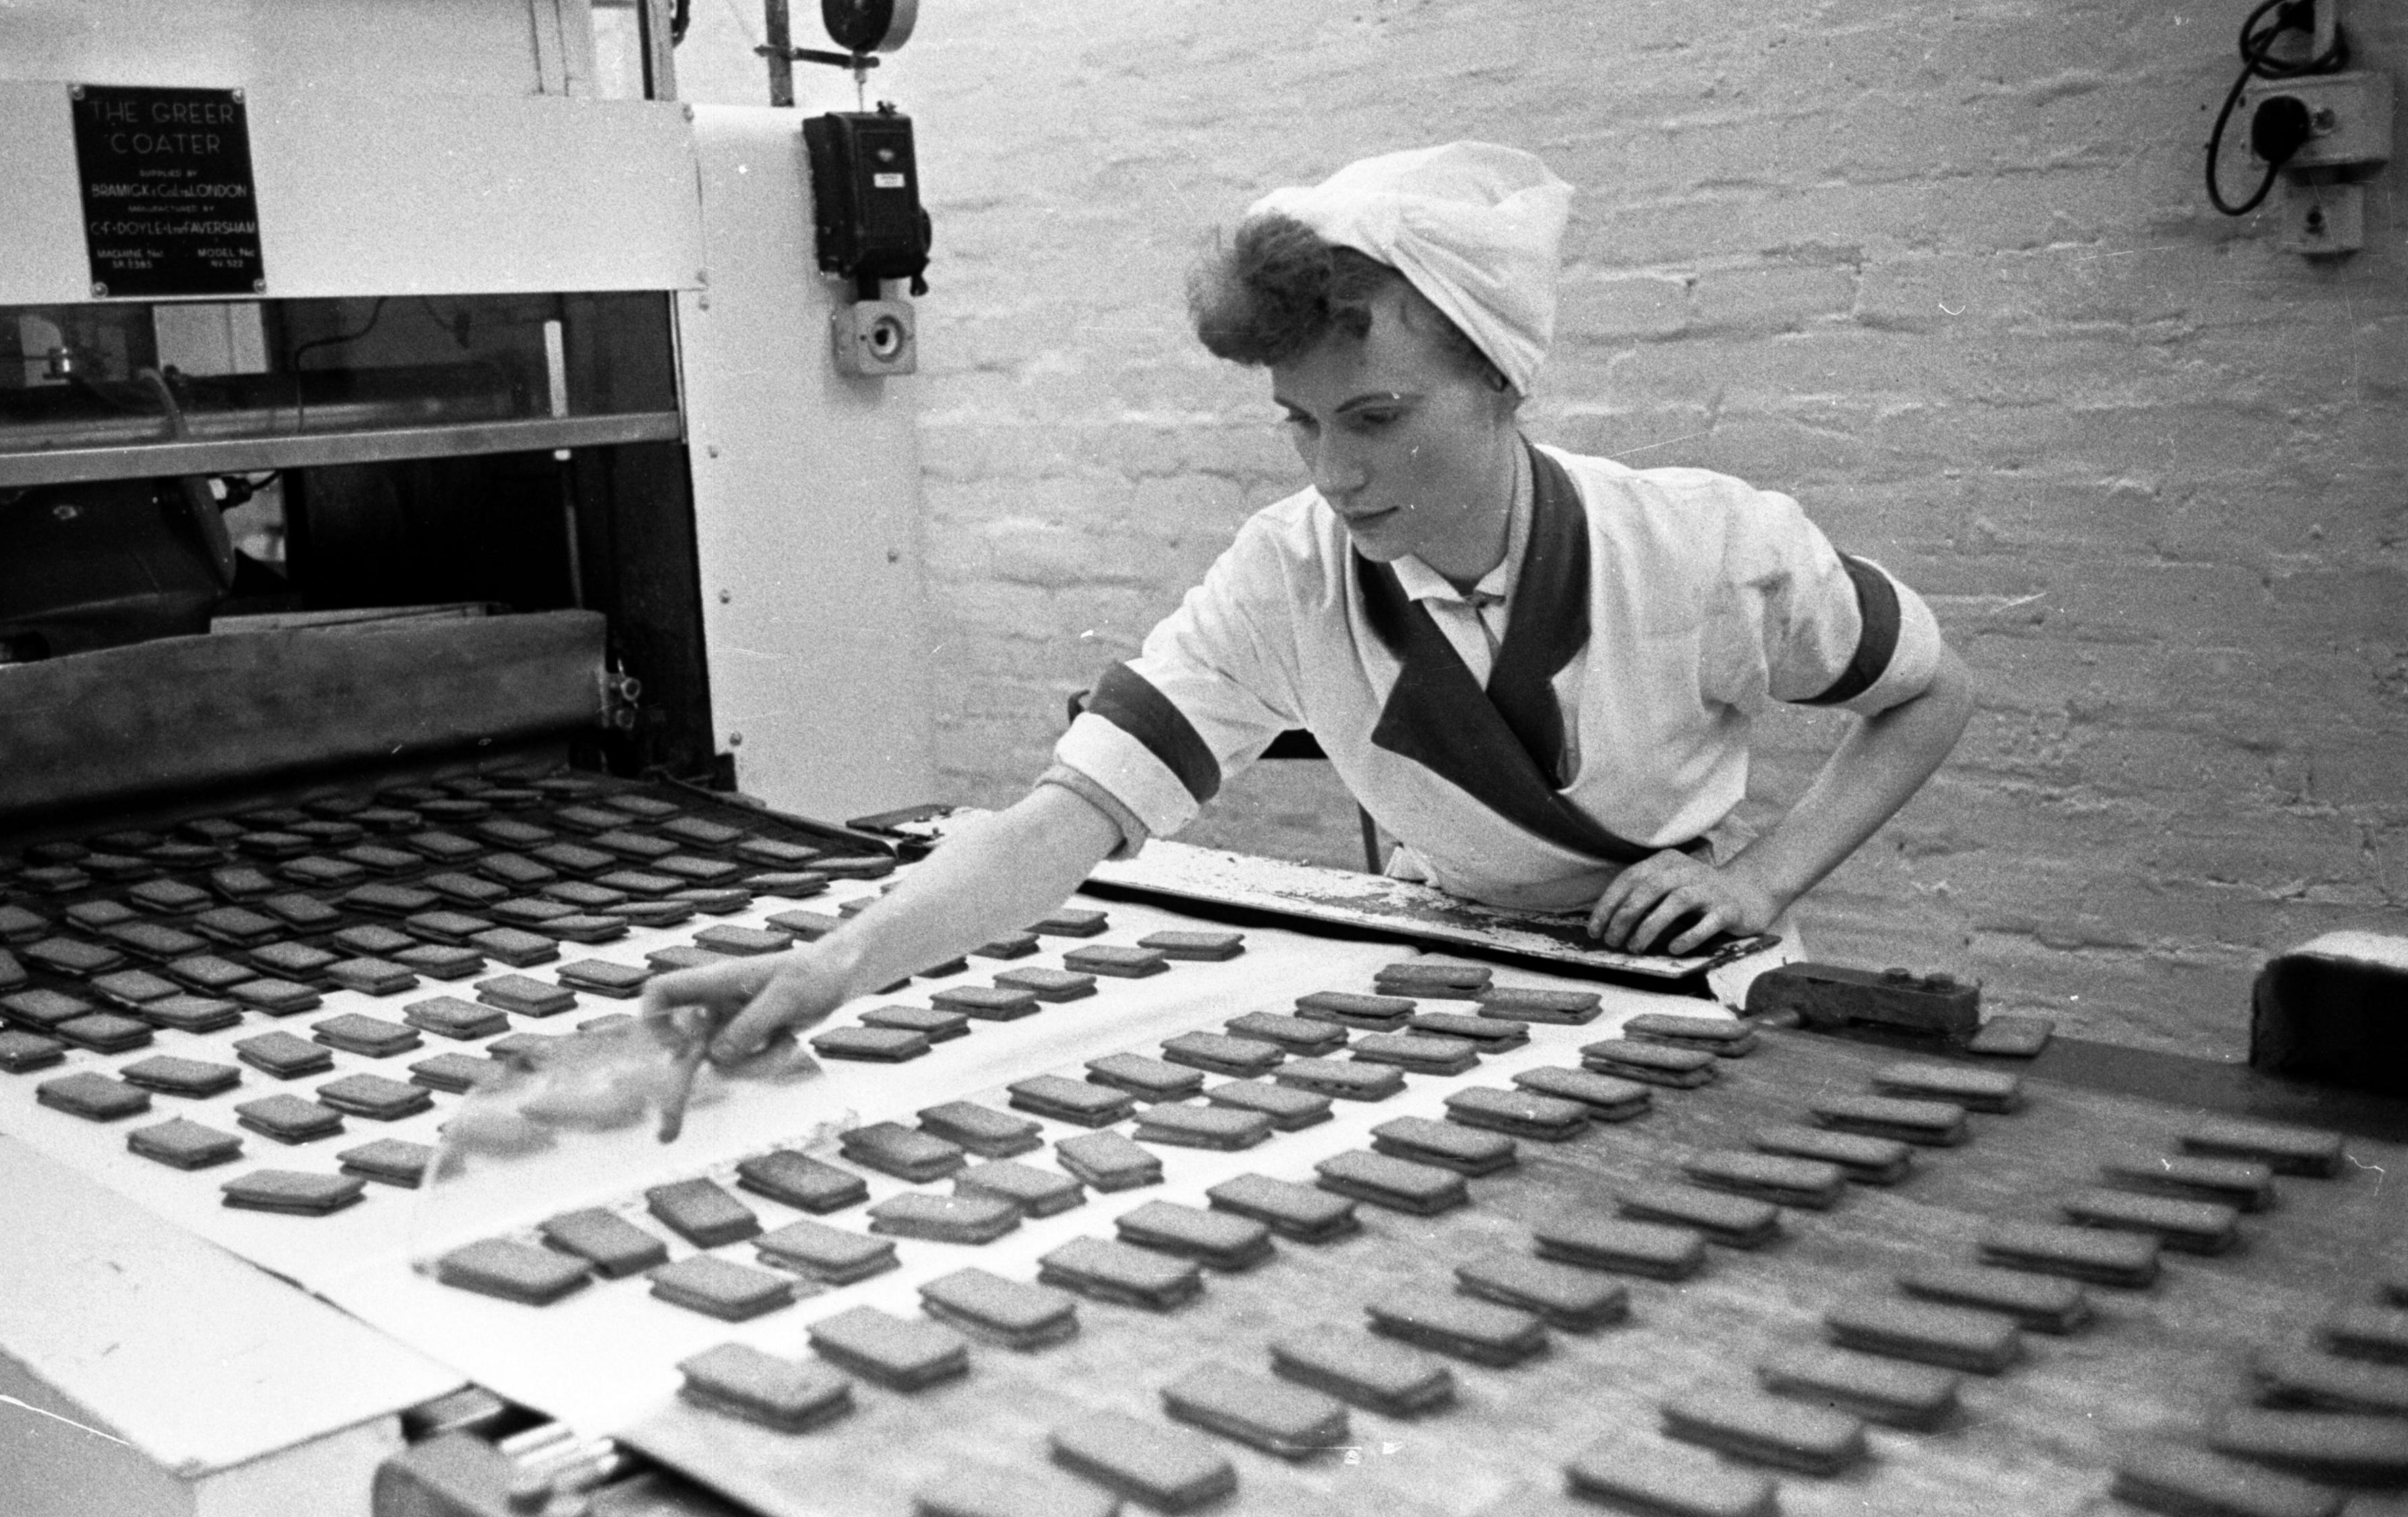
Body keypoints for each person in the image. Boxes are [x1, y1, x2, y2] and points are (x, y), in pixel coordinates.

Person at [646, 142, 1973, 1067]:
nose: (1336, 474)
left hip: (1690, 987)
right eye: (1301, 424)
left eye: (1380, 417)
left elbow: (1930, 689)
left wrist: (1759, 876)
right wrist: (834, 965)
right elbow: (1066, 821)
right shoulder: (1287, 578)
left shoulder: (1698, 551)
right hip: (1460, 978)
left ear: (1503, 382)